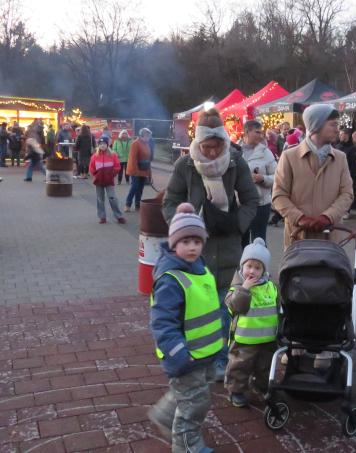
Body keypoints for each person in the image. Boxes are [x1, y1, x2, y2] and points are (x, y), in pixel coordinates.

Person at [162, 108, 259, 381]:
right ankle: (194, 355)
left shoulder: (236, 163)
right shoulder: (186, 166)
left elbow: (252, 199)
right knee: (194, 309)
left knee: (223, 308)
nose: (213, 153)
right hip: (194, 251)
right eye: (208, 147)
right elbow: (169, 202)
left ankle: (219, 361)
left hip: (228, 247)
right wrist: (183, 227)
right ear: (199, 143)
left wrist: (237, 224)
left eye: (218, 146)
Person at [147, 202, 223, 452]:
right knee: (194, 407)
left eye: (197, 241)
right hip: (186, 356)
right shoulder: (171, 280)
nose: (192, 247)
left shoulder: (200, 268)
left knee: (193, 394)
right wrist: (179, 353)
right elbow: (162, 322)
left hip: (205, 353)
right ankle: (186, 447)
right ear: (173, 243)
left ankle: (165, 414)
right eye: (185, 241)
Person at [272, 104, 353, 249]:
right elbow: (279, 196)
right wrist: (300, 218)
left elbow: (347, 194)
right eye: (333, 124)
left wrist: (328, 217)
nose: (337, 129)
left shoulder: (340, 158)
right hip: (297, 240)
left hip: (330, 241)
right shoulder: (289, 157)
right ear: (316, 126)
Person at [224, 238, 279, 407]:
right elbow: (236, 307)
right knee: (240, 367)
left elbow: (278, 306)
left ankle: (261, 386)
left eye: (257, 267)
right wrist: (244, 289)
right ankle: (236, 391)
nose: (252, 271)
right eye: (249, 266)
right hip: (244, 339)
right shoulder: (237, 288)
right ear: (242, 267)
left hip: (267, 339)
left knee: (265, 366)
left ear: (264, 270)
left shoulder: (270, 287)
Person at [240, 120, 277, 246]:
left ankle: (259, 266)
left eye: (261, 132)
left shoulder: (266, 153)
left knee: (259, 241)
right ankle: (242, 266)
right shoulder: (234, 151)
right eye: (257, 132)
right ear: (246, 132)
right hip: (240, 204)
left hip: (260, 204)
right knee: (240, 241)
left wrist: (262, 178)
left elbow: (277, 176)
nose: (260, 135)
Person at [90, 138, 126, 224]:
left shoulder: (113, 155)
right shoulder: (94, 156)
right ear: (98, 145)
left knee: (112, 198)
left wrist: (112, 174)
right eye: (101, 144)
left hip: (109, 180)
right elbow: (91, 168)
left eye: (104, 144)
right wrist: (96, 175)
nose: (102, 145)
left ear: (107, 145)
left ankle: (119, 216)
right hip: (98, 181)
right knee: (100, 199)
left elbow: (117, 167)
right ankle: (102, 217)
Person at [125, 128, 153, 212]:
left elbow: (148, 159)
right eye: (147, 136)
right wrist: (136, 172)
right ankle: (128, 204)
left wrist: (149, 173)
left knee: (140, 188)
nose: (148, 137)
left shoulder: (147, 144)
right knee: (135, 187)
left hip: (144, 170)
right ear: (141, 136)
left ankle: (137, 205)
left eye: (149, 136)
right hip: (135, 170)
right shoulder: (135, 144)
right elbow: (132, 159)